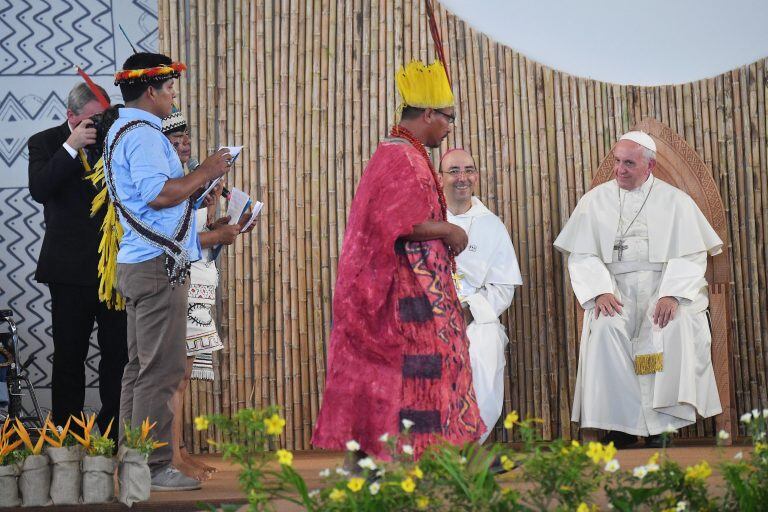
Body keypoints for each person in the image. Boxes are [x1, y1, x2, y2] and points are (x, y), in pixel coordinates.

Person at [312, 60, 485, 462]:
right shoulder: (399, 158)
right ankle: (405, 459)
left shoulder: (411, 153)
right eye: (447, 118)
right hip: (404, 297)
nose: (449, 126)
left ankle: (439, 455)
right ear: (427, 114)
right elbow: (400, 224)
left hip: (421, 291)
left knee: (436, 369)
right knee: (419, 374)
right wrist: (449, 230)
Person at [105, 52, 231, 490]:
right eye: (171, 87)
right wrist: (206, 170)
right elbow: (158, 195)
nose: (174, 95)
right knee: (161, 370)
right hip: (157, 266)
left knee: (140, 368)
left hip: (142, 262)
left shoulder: (125, 129)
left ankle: (133, 461)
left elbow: (157, 201)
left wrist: (200, 190)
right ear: (151, 90)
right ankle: (156, 466)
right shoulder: (140, 134)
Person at [554, 131, 723, 448]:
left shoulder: (676, 202)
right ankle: (621, 425)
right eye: (617, 161)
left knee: (669, 326)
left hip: (662, 287)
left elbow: (691, 253)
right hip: (615, 290)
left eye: (629, 163)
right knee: (605, 329)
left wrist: (672, 293)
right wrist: (600, 290)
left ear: (650, 166)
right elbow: (582, 254)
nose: (620, 169)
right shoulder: (594, 202)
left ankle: (663, 425)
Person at [27, 82, 127, 443]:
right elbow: (40, 188)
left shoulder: (115, 141)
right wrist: (71, 147)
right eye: (90, 121)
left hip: (114, 268)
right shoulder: (46, 142)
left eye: (101, 120)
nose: (97, 127)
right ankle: (66, 438)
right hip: (67, 271)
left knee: (118, 357)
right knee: (69, 357)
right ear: (71, 116)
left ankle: (112, 434)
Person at [161, 108, 242, 479]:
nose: (182, 147)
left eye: (186, 141)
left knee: (186, 372)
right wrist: (214, 236)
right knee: (175, 374)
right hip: (178, 281)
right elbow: (175, 243)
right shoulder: (168, 184)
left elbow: (194, 235)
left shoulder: (188, 182)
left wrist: (216, 223)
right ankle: (171, 457)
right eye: (174, 142)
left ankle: (180, 450)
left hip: (198, 281)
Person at [440, 148, 522, 443]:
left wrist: (468, 311)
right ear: (440, 178)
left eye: (469, 170)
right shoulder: (427, 219)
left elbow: (503, 287)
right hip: (431, 312)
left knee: (484, 348)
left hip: (474, 313)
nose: (462, 178)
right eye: (453, 171)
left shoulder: (491, 225)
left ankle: (470, 443)